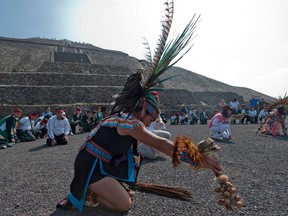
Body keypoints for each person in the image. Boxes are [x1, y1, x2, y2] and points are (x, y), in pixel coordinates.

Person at [56, 10, 222, 212]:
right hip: (90, 166)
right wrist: (198, 160)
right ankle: (90, 190)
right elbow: (161, 144)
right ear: (143, 107)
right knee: (123, 205)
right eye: (152, 116)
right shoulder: (131, 123)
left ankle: (101, 188)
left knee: (128, 177)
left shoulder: (124, 119)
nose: (153, 121)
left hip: (97, 161)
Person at [137, 91, 171, 159]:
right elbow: (142, 132)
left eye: (157, 98)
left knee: (167, 135)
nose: (157, 100)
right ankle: (139, 150)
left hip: (150, 132)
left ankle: (149, 146)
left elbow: (155, 127)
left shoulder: (154, 110)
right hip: (141, 137)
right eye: (155, 98)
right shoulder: (143, 112)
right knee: (153, 156)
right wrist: (154, 143)